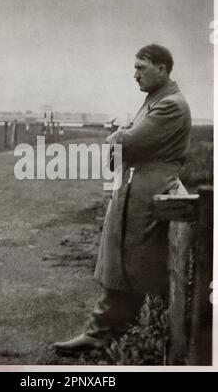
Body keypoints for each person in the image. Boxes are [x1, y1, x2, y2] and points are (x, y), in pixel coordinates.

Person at [54, 44, 191, 353]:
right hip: (135, 189)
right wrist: (122, 138)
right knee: (124, 263)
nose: (135, 75)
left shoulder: (170, 105)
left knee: (134, 263)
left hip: (148, 192)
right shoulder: (155, 101)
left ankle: (108, 334)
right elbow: (126, 143)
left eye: (141, 68)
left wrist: (118, 136)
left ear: (162, 69)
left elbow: (127, 143)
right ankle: (109, 333)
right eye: (135, 68)